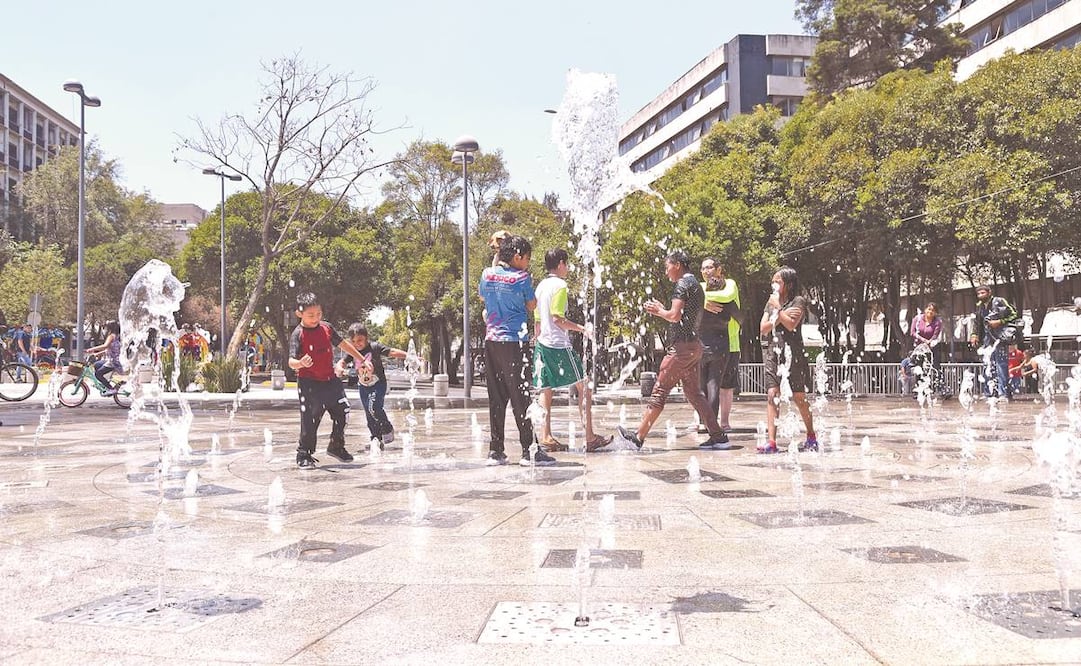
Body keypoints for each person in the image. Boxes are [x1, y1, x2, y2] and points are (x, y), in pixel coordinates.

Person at [616, 251, 730, 451]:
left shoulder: (682, 285)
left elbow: (675, 316)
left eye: (667, 266)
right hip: (694, 346)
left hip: (681, 349)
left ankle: (638, 437)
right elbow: (681, 315)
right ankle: (718, 437)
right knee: (695, 394)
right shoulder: (695, 284)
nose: (666, 271)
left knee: (659, 390)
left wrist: (658, 311)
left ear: (677, 264)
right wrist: (664, 309)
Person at [479, 234, 555, 466]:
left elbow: (483, 296)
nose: (528, 263)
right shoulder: (522, 278)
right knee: (521, 397)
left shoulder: (486, 274)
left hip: (491, 342)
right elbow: (531, 304)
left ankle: (496, 450)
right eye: (527, 259)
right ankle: (529, 450)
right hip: (515, 342)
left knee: (496, 397)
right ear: (517, 257)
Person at [532, 248, 612, 453]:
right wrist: (582, 329)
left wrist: (536, 338)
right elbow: (558, 318)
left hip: (542, 344)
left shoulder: (540, 286)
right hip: (558, 345)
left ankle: (546, 436)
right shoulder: (560, 285)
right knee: (584, 386)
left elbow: (538, 320)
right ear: (560, 264)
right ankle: (590, 436)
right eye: (566, 264)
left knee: (546, 388)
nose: (567, 268)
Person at [288, 292, 367, 468]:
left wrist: (360, 358)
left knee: (344, 411)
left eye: (318, 314)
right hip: (309, 383)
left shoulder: (327, 328)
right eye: (310, 315)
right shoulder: (298, 334)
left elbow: (344, 344)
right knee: (310, 419)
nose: (315, 318)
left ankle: (336, 446)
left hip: (331, 380)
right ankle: (304, 454)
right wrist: (300, 363)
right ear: (299, 313)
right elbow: (290, 361)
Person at [759, 266, 817, 454]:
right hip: (773, 353)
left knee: (799, 397)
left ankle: (811, 435)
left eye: (778, 281)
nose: (774, 284)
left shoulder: (798, 301)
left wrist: (777, 310)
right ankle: (771, 441)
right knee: (772, 395)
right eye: (773, 280)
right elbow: (763, 328)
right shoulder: (770, 303)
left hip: (794, 354)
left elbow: (792, 324)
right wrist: (778, 316)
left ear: (789, 284)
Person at [337, 323, 418, 451]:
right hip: (363, 386)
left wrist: (410, 356)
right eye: (353, 341)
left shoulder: (374, 347)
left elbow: (391, 352)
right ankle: (376, 438)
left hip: (379, 384)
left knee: (374, 406)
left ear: (366, 337)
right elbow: (343, 361)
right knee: (369, 412)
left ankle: (387, 427)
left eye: (360, 340)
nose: (357, 344)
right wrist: (340, 367)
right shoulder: (352, 351)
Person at [699, 257, 741, 433]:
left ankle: (724, 422)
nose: (706, 271)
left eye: (709, 267)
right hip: (704, 343)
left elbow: (727, 296)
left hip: (730, 343)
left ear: (719, 269)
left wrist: (702, 301)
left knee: (725, 385)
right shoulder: (700, 287)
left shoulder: (729, 284)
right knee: (702, 385)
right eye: (703, 268)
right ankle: (704, 420)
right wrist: (702, 302)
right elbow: (686, 300)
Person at [969, 284, 1021, 399]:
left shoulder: (999, 301)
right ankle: (989, 393)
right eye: (979, 293)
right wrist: (974, 335)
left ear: (989, 292)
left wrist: (1000, 321)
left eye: (983, 293)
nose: (981, 295)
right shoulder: (980, 307)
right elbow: (977, 323)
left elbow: (1014, 314)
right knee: (987, 365)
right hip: (987, 340)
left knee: (1001, 365)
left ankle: (1004, 393)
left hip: (1000, 338)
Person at [899, 302, 945, 397]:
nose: (930, 312)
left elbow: (936, 334)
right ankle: (919, 390)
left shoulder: (937, 322)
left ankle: (941, 389)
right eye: (929, 309)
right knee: (919, 368)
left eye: (933, 310)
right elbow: (913, 332)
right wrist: (923, 340)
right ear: (925, 310)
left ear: (935, 313)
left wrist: (930, 342)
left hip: (932, 347)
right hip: (919, 348)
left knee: (936, 367)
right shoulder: (918, 319)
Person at [85, 320, 122, 396]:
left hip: (112, 361)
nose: (105, 329)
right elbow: (109, 349)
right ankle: (103, 382)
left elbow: (105, 346)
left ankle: (111, 389)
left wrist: (92, 349)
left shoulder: (111, 336)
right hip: (112, 359)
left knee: (98, 374)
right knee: (96, 365)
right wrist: (98, 353)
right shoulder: (117, 336)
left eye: (106, 327)